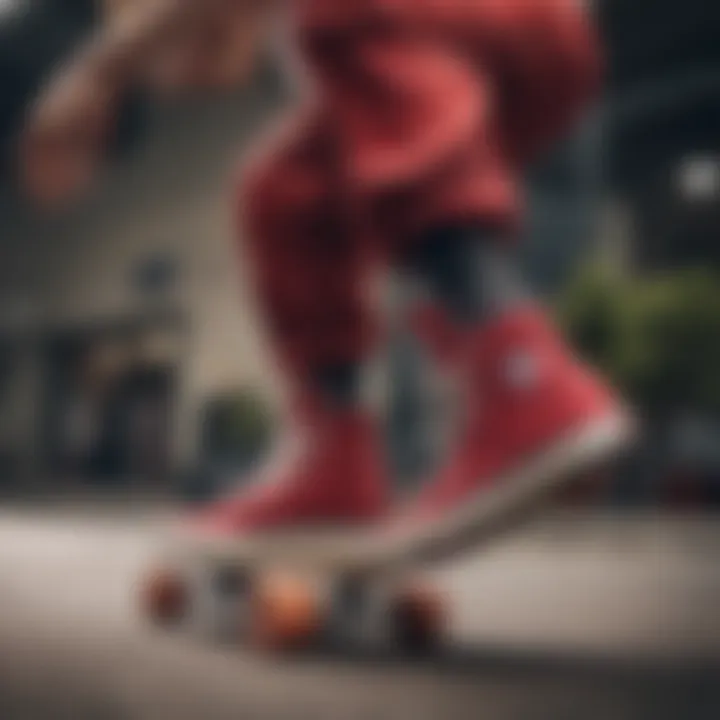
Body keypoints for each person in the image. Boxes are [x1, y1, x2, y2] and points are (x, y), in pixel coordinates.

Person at [22, 0, 633, 552]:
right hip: (486, 60)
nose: (182, 82)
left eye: (174, 57)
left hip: (528, 17)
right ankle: (334, 464)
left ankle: (518, 371)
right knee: (286, 194)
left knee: (336, 13)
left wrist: (98, 71)